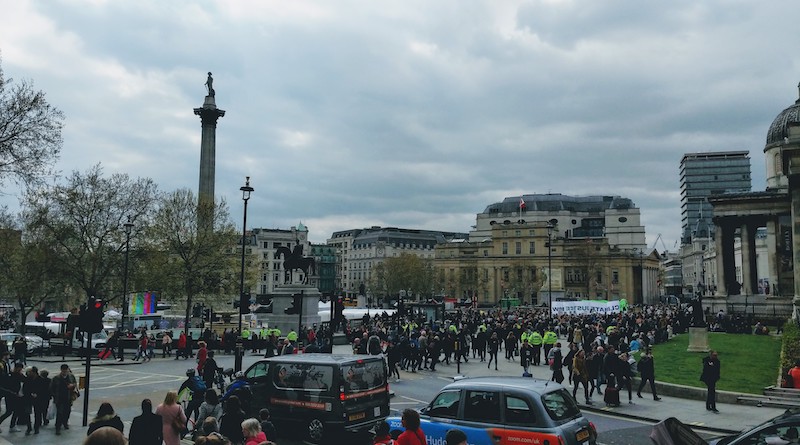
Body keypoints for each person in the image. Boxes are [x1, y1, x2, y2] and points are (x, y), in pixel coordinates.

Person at [50, 363, 77, 435]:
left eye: (66, 371)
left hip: (69, 397)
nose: (65, 372)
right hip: (59, 398)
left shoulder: (71, 376)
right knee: (60, 413)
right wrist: (54, 395)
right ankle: (58, 427)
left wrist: (72, 385)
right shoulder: (56, 378)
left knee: (67, 411)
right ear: (61, 370)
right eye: (63, 371)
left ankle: (65, 423)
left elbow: (75, 384)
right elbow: (51, 388)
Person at [0, 362, 25, 433]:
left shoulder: (18, 375)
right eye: (20, 369)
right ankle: (11, 425)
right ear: (16, 368)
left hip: (16, 396)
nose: (20, 370)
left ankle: (12, 425)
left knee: (16, 411)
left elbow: (25, 380)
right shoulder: (9, 375)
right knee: (9, 412)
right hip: (10, 396)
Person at [24, 366, 47, 435]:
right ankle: (29, 427)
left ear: (34, 372)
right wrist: (30, 393)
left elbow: (43, 390)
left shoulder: (41, 380)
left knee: (38, 413)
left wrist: (37, 394)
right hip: (28, 398)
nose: (29, 373)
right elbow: (25, 388)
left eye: (30, 372)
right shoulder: (28, 379)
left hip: (38, 399)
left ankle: (36, 427)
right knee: (27, 413)